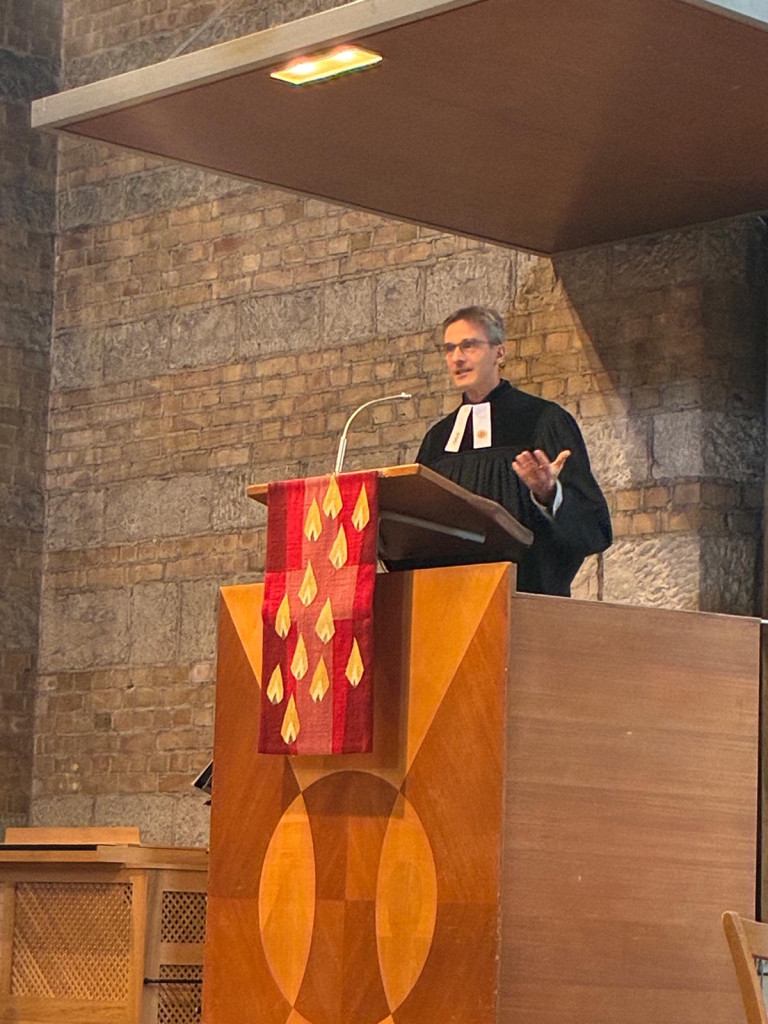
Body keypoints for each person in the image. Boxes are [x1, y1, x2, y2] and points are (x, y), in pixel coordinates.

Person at [415, 306, 611, 595]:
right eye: (449, 348)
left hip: (523, 598)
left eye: (469, 345)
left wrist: (550, 494)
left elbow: (594, 527)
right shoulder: (437, 439)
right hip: (448, 598)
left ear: (500, 353)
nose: (457, 358)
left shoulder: (542, 420)